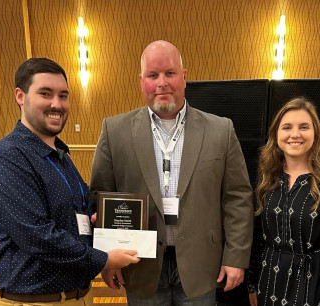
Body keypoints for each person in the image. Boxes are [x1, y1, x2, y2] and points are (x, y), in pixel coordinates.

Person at [90, 40, 254, 305]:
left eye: (169, 73)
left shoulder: (220, 131)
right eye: (153, 75)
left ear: (184, 77)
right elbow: (100, 197)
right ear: (141, 80)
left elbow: (237, 198)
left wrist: (235, 257)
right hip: (139, 264)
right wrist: (108, 257)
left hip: (201, 263)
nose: (162, 82)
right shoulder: (114, 131)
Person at [0, 57, 140, 305]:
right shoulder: (7, 158)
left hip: (81, 296)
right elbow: (37, 236)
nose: (57, 104)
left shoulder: (60, 156)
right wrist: (105, 259)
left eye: (63, 96)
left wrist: (103, 226)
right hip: (31, 301)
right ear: (20, 96)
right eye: (46, 93)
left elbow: (84, 213)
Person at [248, 97, 320, 306]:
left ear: (315, 133)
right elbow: (258, 237)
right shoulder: (268, 175)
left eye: (304, 127)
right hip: (268, 281)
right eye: (287, 127)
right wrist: (252, 284)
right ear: (276, 134)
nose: (295, 134)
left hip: (312, 288)